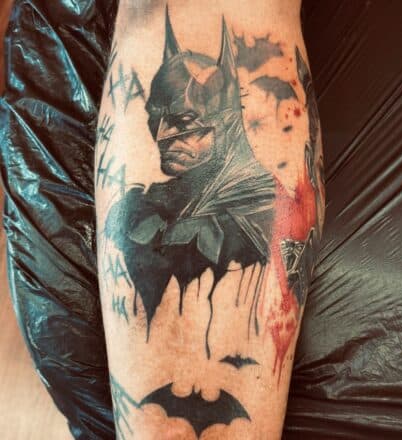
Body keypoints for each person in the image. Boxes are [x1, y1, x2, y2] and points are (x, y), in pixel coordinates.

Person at [96, 0, 324, 438]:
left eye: (183, 120)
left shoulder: (256, 205)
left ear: (224, 122)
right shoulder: (150, 202)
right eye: (157, 120)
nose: (165, 136)